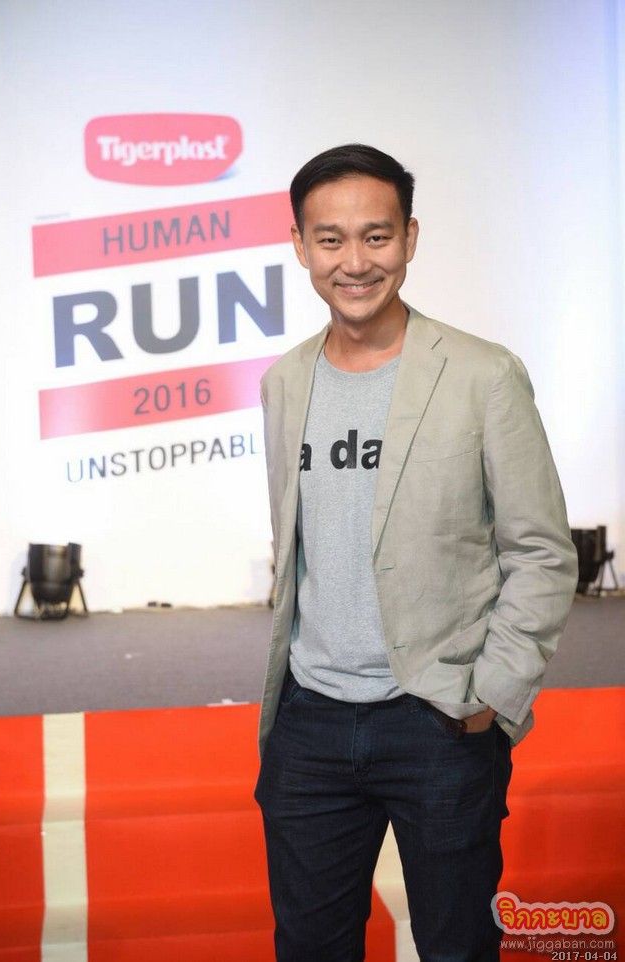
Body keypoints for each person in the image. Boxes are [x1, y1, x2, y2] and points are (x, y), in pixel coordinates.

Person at [254, 144, 578, 962]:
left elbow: (542, 551)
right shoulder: (284, 381)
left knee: (457, 947)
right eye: (330, 239)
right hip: (309, 723)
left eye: (377, 236)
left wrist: (491, 695)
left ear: (410, 238)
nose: (355, 262)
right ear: (299, 245)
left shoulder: (482, 374)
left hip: (438, 718)